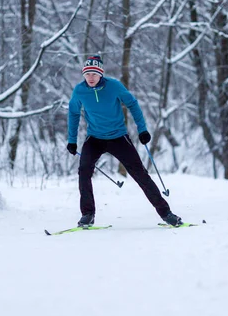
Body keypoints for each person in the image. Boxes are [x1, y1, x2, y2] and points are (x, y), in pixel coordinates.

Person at [67, 55, 183, 228]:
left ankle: (166, 213)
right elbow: (74, 113)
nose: (90, 78)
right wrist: (72, 140)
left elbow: (133, 104)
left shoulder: (114, 86)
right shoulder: (79, 91)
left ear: (100, 74)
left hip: (118, 137)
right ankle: (88, 214)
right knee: (84, 170)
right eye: (87, 74)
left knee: (140, 174)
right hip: (94, 138)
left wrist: (142, 129)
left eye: (94, 74)